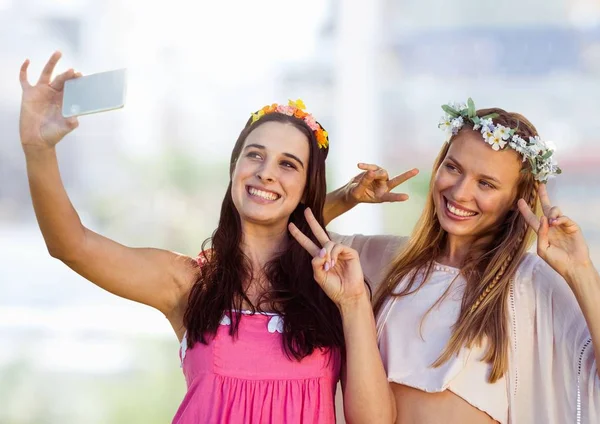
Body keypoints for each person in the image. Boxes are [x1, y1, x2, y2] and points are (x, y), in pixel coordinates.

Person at [18, 51, 395, 424]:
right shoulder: (188, 282)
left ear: (307, 185)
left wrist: (353, 302)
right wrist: (38, 149)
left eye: (287, 164)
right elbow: (71, 245)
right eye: (255, 155)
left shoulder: (333, 291)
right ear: (235, 169)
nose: (266, 173)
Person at [324, 99, 600, 423]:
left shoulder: (530, 283)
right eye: (453, 168)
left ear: (516, 201)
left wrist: (579, 271)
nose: (459, 192)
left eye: (486, 183)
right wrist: (346, 197)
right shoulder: (386, 261)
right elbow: (284, 235)